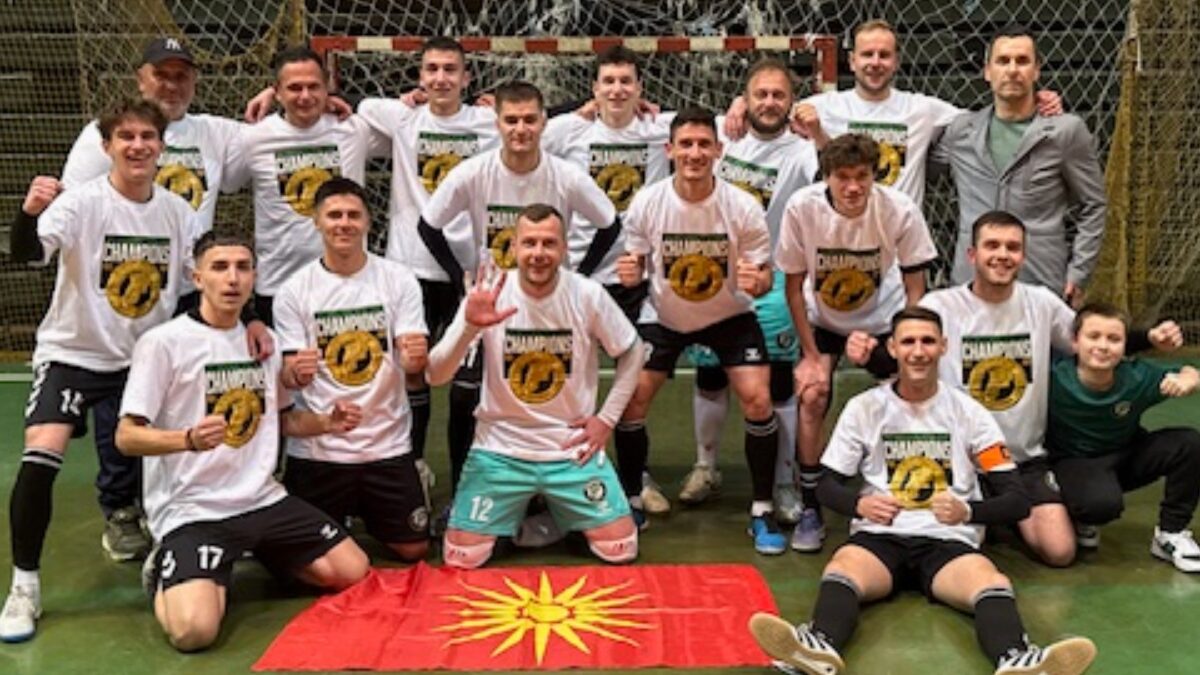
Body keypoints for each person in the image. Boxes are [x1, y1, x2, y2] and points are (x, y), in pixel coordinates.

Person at [748, 307, 1097, 675]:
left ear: (943, 346)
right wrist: (859, 505)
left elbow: (1017, 500)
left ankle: (1017, 660)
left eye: (928, 341)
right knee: (841, 569)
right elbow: (825, 485)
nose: (918, 351)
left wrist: (968, 512)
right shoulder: (864, 408)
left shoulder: (970, 413)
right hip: (880, 538)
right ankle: (818, 647)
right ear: (893, 348)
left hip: (948, 541)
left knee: (992, 582)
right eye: (908, 342)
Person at [844, 210, 1181, 567]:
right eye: (992, 245)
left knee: (1060, 551)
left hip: (1020, 460)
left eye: (1012, 247)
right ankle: (996, 516)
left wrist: (1149, 338)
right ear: (972, 254)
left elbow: (1090, 343)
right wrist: (868, 356)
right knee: (935, 545)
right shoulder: (940, 306)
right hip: (955, 462)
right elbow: (903, 357)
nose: (1002, 254)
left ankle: (1003, 515)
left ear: (1023, 256)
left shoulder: (1041, 303)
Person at [112, 230, 369, 652]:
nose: (232, 278)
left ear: (254, 277)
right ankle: (165, 567)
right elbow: (126, 437)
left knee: (351, 571)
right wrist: (188, 439)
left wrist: (327, 422)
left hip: (262, 500)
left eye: (243, 267)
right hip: (194, 509)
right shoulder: (162, 343)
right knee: (194, 633)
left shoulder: (264, 342)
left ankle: (259, 552)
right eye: (219, 267)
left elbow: (283, 420)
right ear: (197, 278)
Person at [0, 99, 196, 642]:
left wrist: (246, 325)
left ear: (162, 146)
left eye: (147, 136)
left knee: (175, 457)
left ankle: (171, 552)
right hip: (74, 354)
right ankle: (24, 586)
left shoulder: (178, 213)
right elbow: (26, 256)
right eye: (126, 137)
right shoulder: (81, 202)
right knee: (41, 455)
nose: (138, 146)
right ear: (107, 146)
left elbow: (197, 283)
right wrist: (27, 213)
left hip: (143, 358)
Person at [416, 80, 621, 512]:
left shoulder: (565, 175)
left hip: (551, 301)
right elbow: (428, 225)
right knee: (463, 395)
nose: (521, 129)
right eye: (511, 120)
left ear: (544, 122)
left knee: (551, 392)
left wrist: (580, 273)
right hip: (492, 303)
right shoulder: (474, 172)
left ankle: (551, 487)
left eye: (529, 119)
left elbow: (610, 224)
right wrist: (458, 278)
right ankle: (465, 491)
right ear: (497, 123)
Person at [427, 204, 643, 568]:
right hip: (500, 447)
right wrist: (470, 326)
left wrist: (606, 419)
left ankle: (550, 517)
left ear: (564, 248)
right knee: (461, 557)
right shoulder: (488, 293)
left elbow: (633, 351)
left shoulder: (587, 294)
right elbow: (435, 375)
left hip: (570, 448)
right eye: (529, 243)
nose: (538, 253)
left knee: (620, 548)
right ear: (513, 247)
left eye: (549, 243)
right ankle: (534, 514)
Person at [614, 107, 783, 554]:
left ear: (719, 150)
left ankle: (762, 508)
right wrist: (630, 274)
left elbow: (763, 275)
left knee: (758, 398)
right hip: (665, 316)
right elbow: (635, 265)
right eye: (685, 144)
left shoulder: (742, 206)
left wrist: (759, 282)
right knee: (632, 399)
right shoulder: (647, 202)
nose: (694, 153)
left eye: (703, 144)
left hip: (729, 315)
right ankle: (631, 498)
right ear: (669, 150)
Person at [777, 133, 937, 552]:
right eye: (843, 177)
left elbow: (916, 286)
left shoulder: (898, 209)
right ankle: (811, 504)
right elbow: (793, 288)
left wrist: (902, 343)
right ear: (826, 177)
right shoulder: (802, 207)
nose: (852, 187)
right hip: (823, 321)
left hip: (884, 320)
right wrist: (811, 355)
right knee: (812, 394)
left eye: (862, 176)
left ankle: (894, 489)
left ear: (874, 175)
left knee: (910, 396)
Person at [680, 58, 820, 534]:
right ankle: (706, 466)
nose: (769, 102)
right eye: (760, 94)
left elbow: (830, 165)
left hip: (774, 278)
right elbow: (664, 124)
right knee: (710, 374)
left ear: (792, 102)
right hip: (715, 274)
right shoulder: (724, 132)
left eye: (778, 95)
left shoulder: (801, 150)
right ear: (745, 97)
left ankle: (783, 482)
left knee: (778, 382)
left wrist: (817, 131)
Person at [540, 45, 674, 513]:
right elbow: (519, 127)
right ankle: (559, 468)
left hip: (638, 278)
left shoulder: (660, 130)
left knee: (632, 385)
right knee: (567, 381)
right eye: (608, 82)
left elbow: (718, 126)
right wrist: (570, 110)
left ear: (640, 89)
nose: (617, 90)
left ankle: (637, 479)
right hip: (577, 275)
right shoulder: (569, 131)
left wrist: (738, 106)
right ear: (594, 90)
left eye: (625, 82)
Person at [274, 178, 431, 562]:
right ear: (316, 221)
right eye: (334, 215)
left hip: (386, 442)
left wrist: (415, 359)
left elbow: (414, 364)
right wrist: (296, 372)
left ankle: (381, 503)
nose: (343, 224)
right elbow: (290, 376)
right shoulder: (294, 290)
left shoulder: (398, 279)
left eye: (353, 215)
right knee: (302, 556)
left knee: (414, 549)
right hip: (320, 448)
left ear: (368, 222)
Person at [931, 24, 1105, 306]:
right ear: (987, 71)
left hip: (1041, 281)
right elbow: (918, 167)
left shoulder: (1065, 132)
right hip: (971, 281)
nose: (1012, 70)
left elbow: (1094, 205)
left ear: (1036, 71)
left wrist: (1079, 271)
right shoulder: (960, 131)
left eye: (1022, 61)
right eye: (1003, 61)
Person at [223, 46, 387, 326]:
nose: (305, 96)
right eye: (294, 88)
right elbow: (228, 183)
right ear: (276, 91)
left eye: (313, 87)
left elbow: (410, 127)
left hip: (347, 282)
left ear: (327, 88)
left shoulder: (353, 130)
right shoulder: (253, 139)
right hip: (278, 282)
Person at [1046, 302, 1200, 571]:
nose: (1103, 346)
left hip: (1125, 454)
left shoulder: (1136, 376)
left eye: (1114, 339)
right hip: (1074, 461)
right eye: (1094, 336)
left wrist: (1190, 379)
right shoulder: (1054, 378)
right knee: (1100, 505)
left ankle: (1171, 533)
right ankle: (1078, 509)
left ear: (1125, 345)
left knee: (1189, 443)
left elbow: (1189, 371)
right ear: (1074, 342)